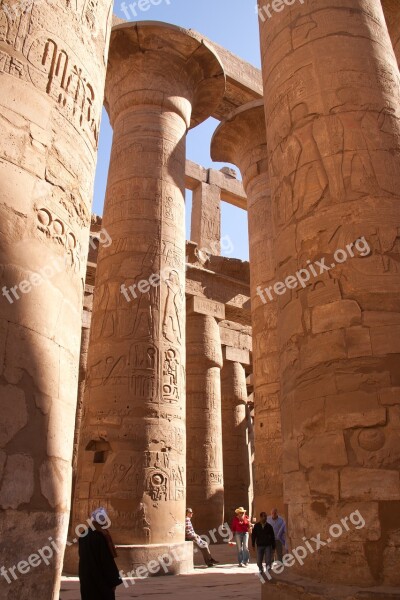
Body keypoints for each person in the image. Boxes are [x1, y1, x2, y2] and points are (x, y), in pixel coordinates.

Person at [78, 507, 122, 600]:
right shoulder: (101, 537)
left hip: (86, 577)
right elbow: (106, 561)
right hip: (100, 580)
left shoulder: (83, 535)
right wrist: (113, 581)